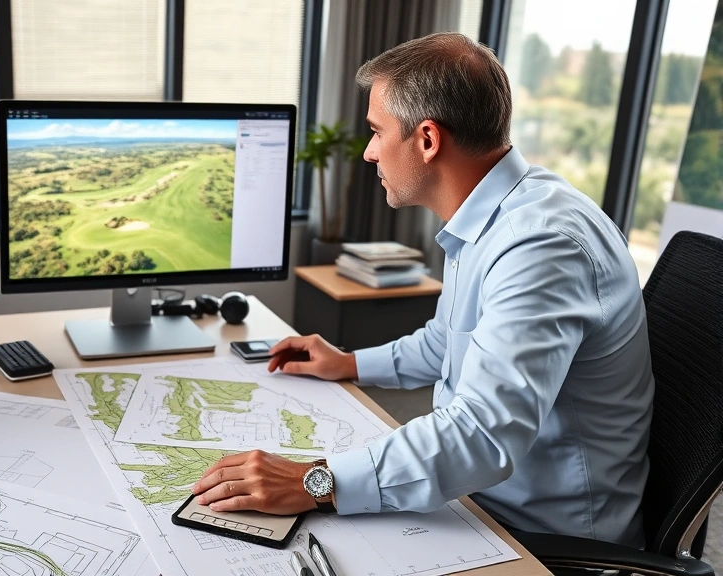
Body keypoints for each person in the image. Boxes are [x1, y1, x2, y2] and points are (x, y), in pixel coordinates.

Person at [192, 32, 653, 548]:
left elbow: (481, 437)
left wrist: (312, 481)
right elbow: (446, 343)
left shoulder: (541, 247)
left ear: (427, 140)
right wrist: (348, 363)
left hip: (541, 537)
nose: (368, 153)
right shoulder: (494, 215)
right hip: (477, 498)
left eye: (376, 131)